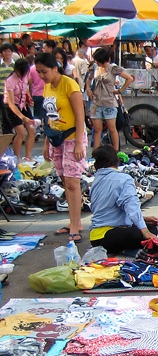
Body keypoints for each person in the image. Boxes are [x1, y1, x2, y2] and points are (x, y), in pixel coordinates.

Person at [35, 52, 86, 242]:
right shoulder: (48, 87)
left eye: (44, 72)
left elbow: (80, 114)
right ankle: (74, 222)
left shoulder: (69, 84)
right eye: (39, 72)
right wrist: (47, 143)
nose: (41, 76)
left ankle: (75, 225)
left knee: (73, 182)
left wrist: (79, 142)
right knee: (65, 181)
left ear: (55, 68)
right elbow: (50, 117)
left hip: (73, 136)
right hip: (56, 138)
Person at [89, 144, 158, 254]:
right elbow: (131, 206)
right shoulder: (124, 179)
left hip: (95, 237)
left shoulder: (96, 180)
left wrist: (142, 219)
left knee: (147, 227)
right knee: (148, 231)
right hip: (108, 238)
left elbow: (107, 210)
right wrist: (145, 231)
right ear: (117, 161)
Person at [86, 48, 133, 150]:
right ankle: (96, 153)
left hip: (109, 102)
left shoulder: (113, 68)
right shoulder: (94, 68)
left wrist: (120, 90)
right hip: (96, 102)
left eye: (97, 60)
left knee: (112, 128)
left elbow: (129, 78)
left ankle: (116, 151)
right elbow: (89, 79)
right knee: (97, 129)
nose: (95, 62)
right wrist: (88, 89)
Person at [3, 59, 36, 160]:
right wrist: (22, 117)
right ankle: (17, 157)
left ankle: (28, 157)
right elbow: (11, 103)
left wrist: (29, 98)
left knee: (32, 129)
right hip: (11, 107)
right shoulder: (10, 81)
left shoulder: (25, 75)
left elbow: (25, 89)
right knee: (21, 131)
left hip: (23, 104)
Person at [0, 43, 16, 135]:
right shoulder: (0, 64)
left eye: (9, 51)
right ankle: (7, 131)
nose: (7, 53)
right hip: (1, 92)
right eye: (5, 51)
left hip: (12, 92)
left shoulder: (15, 64)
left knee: (12, 111)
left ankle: (14, 130)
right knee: (4, 113)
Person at [28, 55, 46, 126]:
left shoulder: (31, 68)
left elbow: (30, 82)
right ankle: (45, 131)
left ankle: (37, 129)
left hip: (35, 93)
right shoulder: (45, 68)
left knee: (36, 113)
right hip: (45, 93)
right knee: (46, 114)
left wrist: (30, 93)